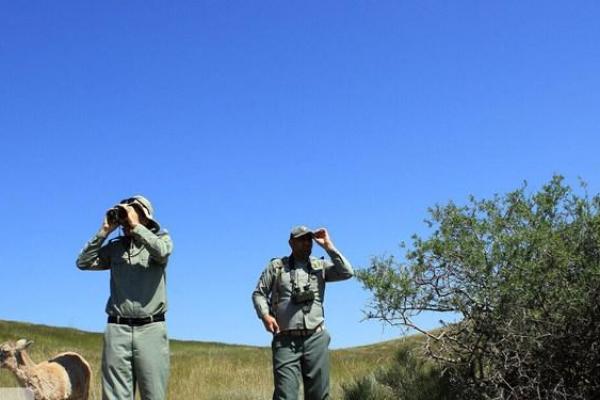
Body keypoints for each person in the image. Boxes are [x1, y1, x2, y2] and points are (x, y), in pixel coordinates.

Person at [76, 195, 173, 400]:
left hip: (151, 329)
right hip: (117, 329)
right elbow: (83, 262)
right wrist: (104, 231)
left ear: (145, 218)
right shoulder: (115, 247)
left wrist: (137, 227)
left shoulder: (162, 239)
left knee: (153, 395)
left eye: (132, 213)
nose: (127, 219)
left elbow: (162, 253)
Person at [252, 225, 354, 400]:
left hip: (316, 337)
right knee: (286, 395)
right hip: (285, 340)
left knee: (319, 395)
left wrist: (329, 246)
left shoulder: (319, 266)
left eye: (309, 239)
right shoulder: (277, 267)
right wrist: (265, 315)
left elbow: (347, 272)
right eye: (301, 240)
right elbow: (259, 293)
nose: (307, 243)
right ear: (291, 243)